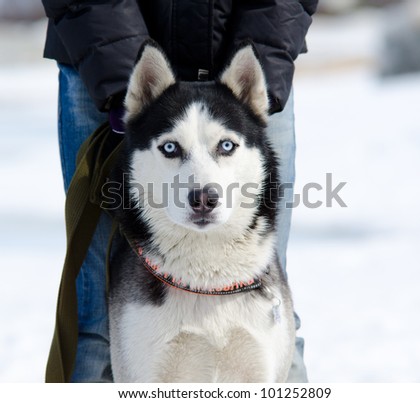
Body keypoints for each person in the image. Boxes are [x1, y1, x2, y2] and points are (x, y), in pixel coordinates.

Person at [41, 0, 318, 382]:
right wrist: (131, 86)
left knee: (270, 305)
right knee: (93, 321)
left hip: (251, 63)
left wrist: (260, 66)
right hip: (99, 53)